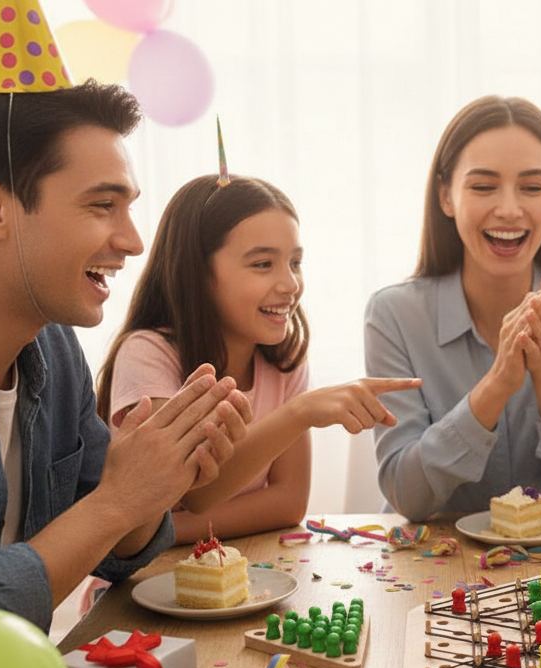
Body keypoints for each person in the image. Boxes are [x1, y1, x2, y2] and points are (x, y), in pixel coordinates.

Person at [0, 82, 251, 631]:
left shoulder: (54, 348)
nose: (134, 242)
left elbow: (108, 548)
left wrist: (157, 478)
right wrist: (117, 500)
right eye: (102, 205)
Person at [95, 175, 421, 544]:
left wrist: (168, 533)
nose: (290, 284)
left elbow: (288, 503)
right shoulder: (148, 354)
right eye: (263, 264)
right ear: (198, 273)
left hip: (243, 574)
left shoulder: (284, 364)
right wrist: (298, 413)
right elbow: (194, 491)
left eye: (295, 263)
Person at [364, 95, 541, 521]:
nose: (509, 208)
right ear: (446, 197)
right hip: (433, 574)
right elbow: (407, 495)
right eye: (483, 186)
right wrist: (497, 384)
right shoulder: (394, 315)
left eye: (533, 187)